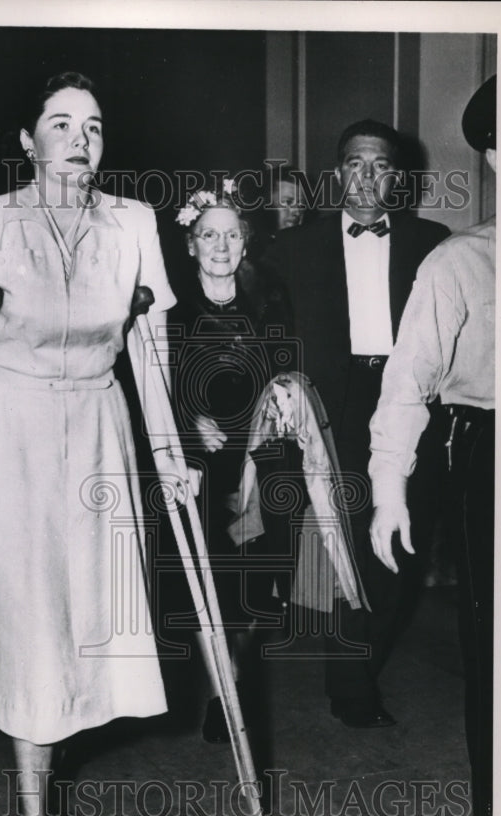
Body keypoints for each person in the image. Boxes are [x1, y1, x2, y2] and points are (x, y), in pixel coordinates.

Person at [0, 71, 176, 816]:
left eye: (95, 127)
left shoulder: (134, 223)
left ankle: (51, 787)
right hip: (15, 439)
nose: (80, 139)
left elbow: (151, 350)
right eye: (61, 124)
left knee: (94, 634)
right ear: (29, 142)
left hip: (101, 436)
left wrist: (169, 452)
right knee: (33, 633)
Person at [265, 120, 450, 728]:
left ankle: (359, 663)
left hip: (408, 400)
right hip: (333, 404)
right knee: (342, 541)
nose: (367, 176)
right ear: (338, 171)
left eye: (381, 165)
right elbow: (271, 339)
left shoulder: (433, 243)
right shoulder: (295, 249)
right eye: (355, 163)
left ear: (398, 177)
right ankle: (350, 684)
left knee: (400, 539)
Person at [369, 76, 496, 816]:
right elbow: (406, 384)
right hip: (494, 462)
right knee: (498, 659)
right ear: (495, 151)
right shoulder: (459, 262)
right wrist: (388, 490)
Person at [169, 183, 289, 742]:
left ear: (247, 243)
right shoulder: (168, 302)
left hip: (257, 455)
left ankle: (234, 669)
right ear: (191, 244)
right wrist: (189, 420)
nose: (221, 245)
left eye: (232, 234)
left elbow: (286, 372)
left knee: (252, 583)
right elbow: (146, 378)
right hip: (194, 459)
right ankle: (223, 691)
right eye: (208, 234)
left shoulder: (268, 298)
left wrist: (279, 409)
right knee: (206, 577)